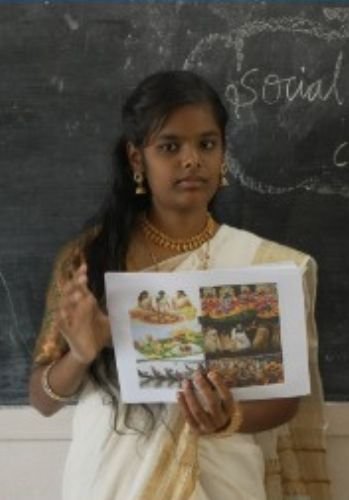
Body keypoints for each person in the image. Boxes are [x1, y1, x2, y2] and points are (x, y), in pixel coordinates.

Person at [28, 70, 330, 499]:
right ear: (137, 159)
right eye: (170, 146)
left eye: (207, 144)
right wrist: (80, 355)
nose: (192, 160)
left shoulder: (260, 266)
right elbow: (43, 400)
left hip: (223, 478)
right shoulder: (88, 260)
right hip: (113, 481)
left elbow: (285, 402)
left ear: (223, 153)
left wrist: (229, 416)